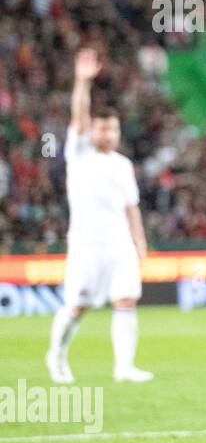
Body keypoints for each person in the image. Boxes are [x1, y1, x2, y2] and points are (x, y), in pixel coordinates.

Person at [46, 48, 152, 384]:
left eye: (114, 130)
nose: (109, 135)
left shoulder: (123, 165)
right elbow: (78, 116)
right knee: (78, 307)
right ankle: (57, 355)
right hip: (86, 244)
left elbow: (131, 207)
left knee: (126, 300)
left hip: (119, 243)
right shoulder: (79, 153)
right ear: (93, 131)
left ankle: (124, 367)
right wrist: (81, 82)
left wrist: (140, 242)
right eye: (103, 130)